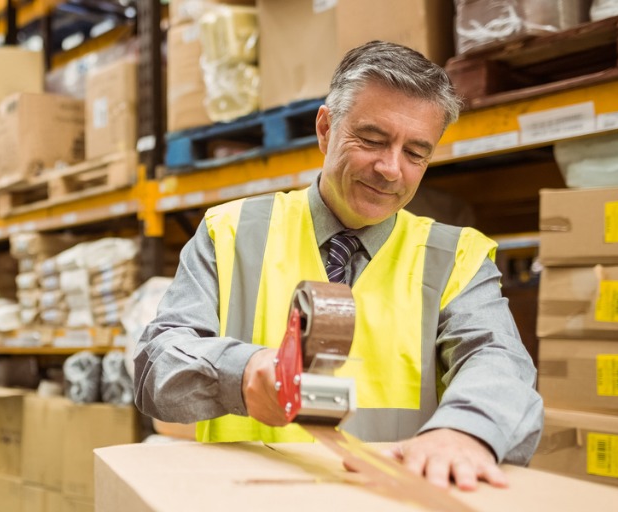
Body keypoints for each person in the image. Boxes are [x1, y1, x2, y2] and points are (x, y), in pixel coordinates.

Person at [133, 40, 543, 492]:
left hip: (392, 501)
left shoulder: (456, 259)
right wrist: (243, 372)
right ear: (326, 128)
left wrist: (466, 430)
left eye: (416, 153)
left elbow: (498, 360)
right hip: (249, 499)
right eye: (372, 140)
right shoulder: (230, 232)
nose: (391, 169)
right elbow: (157, 365)